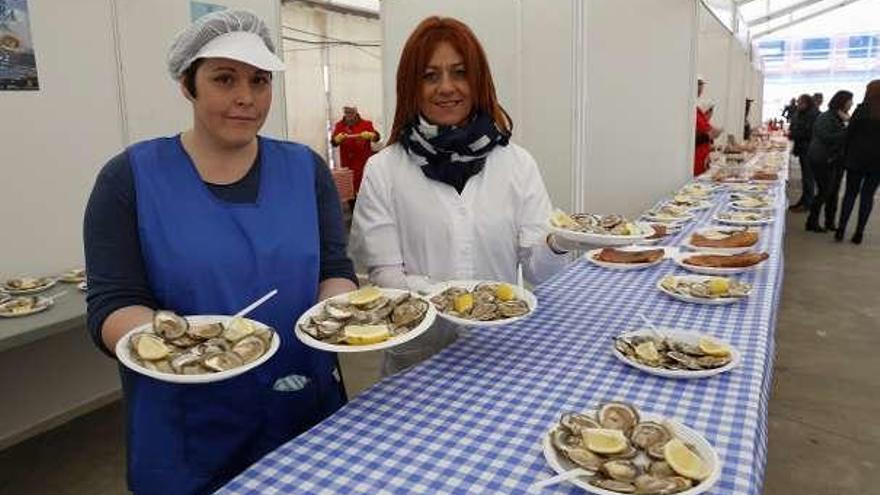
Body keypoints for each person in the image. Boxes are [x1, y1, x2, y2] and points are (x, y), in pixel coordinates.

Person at [83, 11, 357, 495]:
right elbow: (112, 303)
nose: (245, 98)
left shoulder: (306, 170)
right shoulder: (129, 179)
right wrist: (192, 346)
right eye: (224, 79)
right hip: (188, 425)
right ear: (188, 86)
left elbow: (334, 269)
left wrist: (344, 311)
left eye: (259, 80)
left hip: (303, 401)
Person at [350, 17, 574, 375]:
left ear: (478, 80)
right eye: (430, 76)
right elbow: (385, 276)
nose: (447, 87)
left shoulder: (516, 164)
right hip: (418, 363)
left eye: (459, 73)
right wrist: (452, 299)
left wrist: (560, 240)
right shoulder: (384, 170)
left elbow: (539, 271)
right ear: (410, 86)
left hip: (500, 356)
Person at [836, 80, 880, 244]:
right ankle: (858, 233)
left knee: (850, 194)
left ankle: (841, 229)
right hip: (877, 163)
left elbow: (849, 134)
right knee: (868, 196)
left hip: (857, 159)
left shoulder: (862, 110)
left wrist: (845, 156)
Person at [805, 90, 853, 232]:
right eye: (850, 100)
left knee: (833, 192)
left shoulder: (840, 117)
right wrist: (848, 129)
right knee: (824, 191)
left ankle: (829, 221)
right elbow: (826, 137)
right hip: (821, 159)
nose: (851, 103)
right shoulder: (826, 117)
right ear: (842, 101)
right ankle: (812, 222)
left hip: (835, 160)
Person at [331, 106, 380, 195]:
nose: (348, 115)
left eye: (351, 112)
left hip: (362, 164)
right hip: (347, 165)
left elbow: (377, 138)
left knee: (364, 190)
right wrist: (336, 140)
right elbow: (334, 143)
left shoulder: (366, 124)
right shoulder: (340, 125)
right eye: (346, 112)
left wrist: (372, 135)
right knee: (349, 192)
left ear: (356, 112)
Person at [788, 94, 820, 212]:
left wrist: (793, 134)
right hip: (802, 148)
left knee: (808, 178)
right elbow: (795, 126)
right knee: (806, 178)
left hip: (809, 150)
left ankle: (807, 203)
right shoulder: (802, 113)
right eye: (798, 102)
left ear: (807, 103)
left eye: (800, 103)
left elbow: (809, 133)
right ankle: (803, 201)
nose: (798, 105)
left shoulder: (813, 115)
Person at [694, 99, 721, 176]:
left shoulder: (703, 123)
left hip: (703, 160)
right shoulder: (700, 122)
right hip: (698, 160)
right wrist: (709, 136)